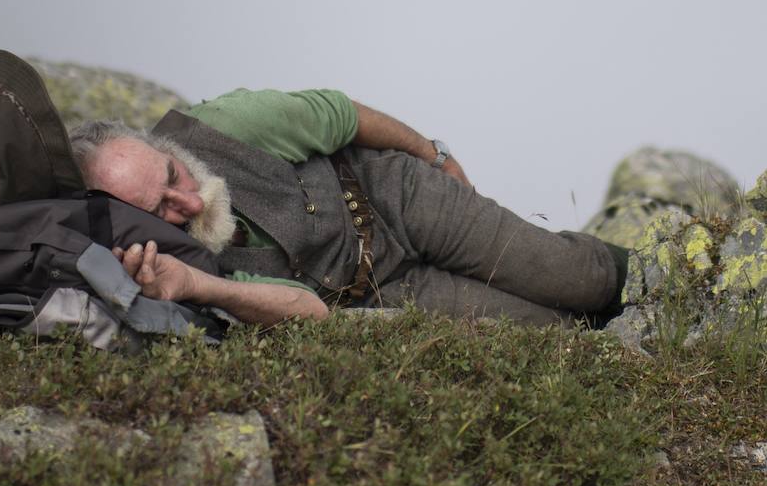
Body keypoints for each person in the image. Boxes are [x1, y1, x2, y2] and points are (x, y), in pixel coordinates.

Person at [69, 88, 628, 327]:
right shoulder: (182, 262)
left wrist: (436, 157)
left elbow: (341, 113)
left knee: (582, 281)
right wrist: (198, 287)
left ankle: (672, 275)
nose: (188, 200)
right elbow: (309, 311)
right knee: (555, 332)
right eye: (161, 208)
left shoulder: (225, 123)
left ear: (164, 149)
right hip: (384, 291)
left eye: (173, 175)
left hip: (397, 197)